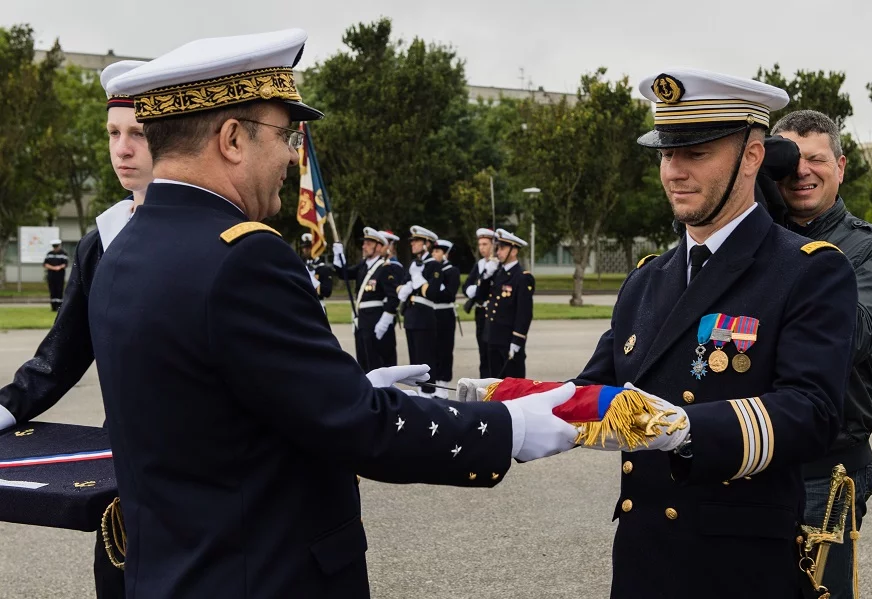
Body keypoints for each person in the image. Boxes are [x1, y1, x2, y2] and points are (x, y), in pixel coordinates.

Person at [93, 28, 577, 598]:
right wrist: (510, 429)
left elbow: (217, 406)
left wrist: (339, 384)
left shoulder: (123, 247)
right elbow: (359, 426)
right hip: (263, 576)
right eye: (284, 134)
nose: (291, 155)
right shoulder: (244, 256)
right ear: (231, 138)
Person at [459, 68, 858, 598]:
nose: (674, 171)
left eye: (696, 153)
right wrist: (481, 403)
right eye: (667, 153)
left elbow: (812, 412)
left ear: (752, 157)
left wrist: (685, 428)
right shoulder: (647, 279)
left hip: (738, 570)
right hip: (643, 562)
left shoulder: (808, 269)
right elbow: (589, 393)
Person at [0, 59, 151, 599]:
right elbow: (61, 354)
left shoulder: (225, 234)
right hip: (125, 472)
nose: (122, 149)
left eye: (139, 133)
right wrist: (4, 408)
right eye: (114, 133)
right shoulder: (101, 239)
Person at [772, 109, 872, 598]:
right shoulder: (749, 238)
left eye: (816, 159)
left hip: (826, 468)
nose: (802, 170)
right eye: (789, 159)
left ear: (841, 166)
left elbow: (852, 340)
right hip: (746, 458)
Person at [333, 228, 397, 371]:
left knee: (377, 363)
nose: (364, 246)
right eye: (364, 243)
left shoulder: (385, 268)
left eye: (368, 243)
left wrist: (384, 321)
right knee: (364, 361)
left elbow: (393, 298)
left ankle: (381, 392)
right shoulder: (363, 266)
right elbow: (344, 274)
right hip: (361, 321)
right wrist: (338, 256)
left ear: (379, 247)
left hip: (376, 320)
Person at [473, 229, 534, 378]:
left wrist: (517, 340)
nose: (498, 252)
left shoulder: (521, 277)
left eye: (502, 248)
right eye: (498, 248)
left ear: (513, 251)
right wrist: (486, 275)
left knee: (512, 386)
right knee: (494, 384)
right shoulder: (497, 273)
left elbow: (524, 313)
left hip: (508, 340)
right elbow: (480, 296)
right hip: (493, 337)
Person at [396, 225, 441, 395]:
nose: (412, 244)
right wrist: (408, 286)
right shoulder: (413, 264)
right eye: (412, 241)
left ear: (427, 243)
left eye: (417, 241)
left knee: (426, 359)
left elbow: (432, 293)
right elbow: (400, 290)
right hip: (411, 317)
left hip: (424, 318)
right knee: (414, 361)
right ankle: (419, 394)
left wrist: (418, 279)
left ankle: (428, 394)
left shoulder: (433, 266)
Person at [462, 227, 495, 377]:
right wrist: (474, 290)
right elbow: (466, 286)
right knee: (482, 349)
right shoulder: (480, 264)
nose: (482, 248)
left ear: (493, 245)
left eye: (485, 244)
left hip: (492, 311)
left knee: (492, 350)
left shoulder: (497, 265)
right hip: (480, 311)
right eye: (480, 244)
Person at [430, 239, 461, 399]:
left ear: (445, 253)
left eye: (437, 251)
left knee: (444, 350)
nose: (434, 254)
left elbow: (449, 294)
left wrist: (435, 290)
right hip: (431, 314)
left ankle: (443, 385)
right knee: (432, 350)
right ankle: (433, 383)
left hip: (444, 315)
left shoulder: (451, 271)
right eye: (433, 251)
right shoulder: (430, 269)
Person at [377, 230, 403, 366]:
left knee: (386, 356)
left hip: (385, 315)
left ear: (391, 246)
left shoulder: (394, 267)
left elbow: (394, 295)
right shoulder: (377, 264)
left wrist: (386, 318)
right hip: (373, 315)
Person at [299, 232, 333, 312]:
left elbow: (327, 291)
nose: (305, 250)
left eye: (309, 247)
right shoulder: (301, 266)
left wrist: (314, 282)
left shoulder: (323, 268)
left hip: (318, 306)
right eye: (304, 247)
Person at [43, 240, 68, 311]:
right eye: (54, 246)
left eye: (56, 246)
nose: (55, 248)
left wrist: (59, 267)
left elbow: (65, 264)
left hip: (60, 276)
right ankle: (53, 307)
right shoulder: (49, 254)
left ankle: (59, 307)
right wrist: (54, 268)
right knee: (52, 290)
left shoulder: (63, 253)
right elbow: (45, 264)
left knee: (59, 290)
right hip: (51, 275)